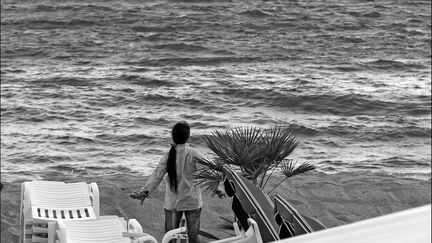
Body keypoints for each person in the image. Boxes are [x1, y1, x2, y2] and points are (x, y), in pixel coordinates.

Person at [130, 121, 224, 243]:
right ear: (188, 136)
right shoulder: (194, 153)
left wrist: (144, 192)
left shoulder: (168, 155)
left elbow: (156, 175)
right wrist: (217, 189)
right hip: (193, 201)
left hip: (173, 203)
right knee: (193, 238)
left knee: (170, 238)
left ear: (173, 137)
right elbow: (207, 173)